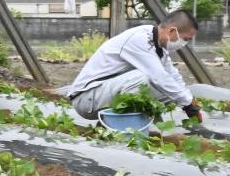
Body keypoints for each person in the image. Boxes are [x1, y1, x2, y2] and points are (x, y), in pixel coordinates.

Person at [61, 12, 206, 125]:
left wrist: (191, 104)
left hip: (103, 94)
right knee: (144, 79)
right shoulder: (139, 39)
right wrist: (187, 103)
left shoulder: (159, 48)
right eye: (185, 39)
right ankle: (117, 126)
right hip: (86, 98)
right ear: (172, 31)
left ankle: (148, 125)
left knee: (170, 92)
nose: (184, 43)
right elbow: (159, 77)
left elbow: (173, 77)